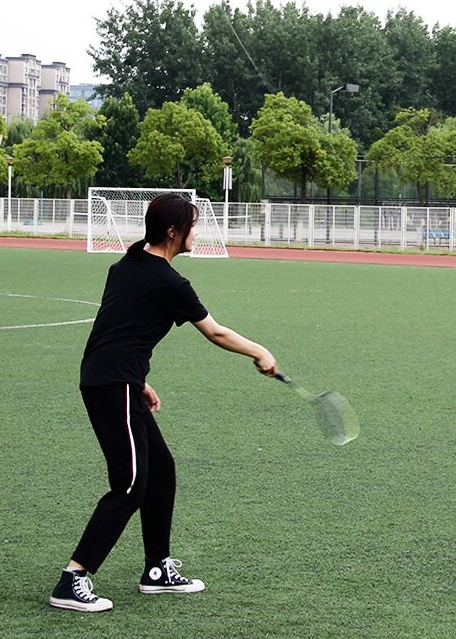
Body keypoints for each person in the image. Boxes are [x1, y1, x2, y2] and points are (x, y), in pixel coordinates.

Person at [49, 193, 278, 613]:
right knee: (131, 485)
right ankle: (73, 578)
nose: (198, 232)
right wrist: (259, 351)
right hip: (111, 383)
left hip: (113, 380)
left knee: (161, 470)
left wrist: (138, 382)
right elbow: (217, 333)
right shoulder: (171, 283)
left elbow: (118, 330)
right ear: (173, 231)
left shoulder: (126, 264)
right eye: (192, 225)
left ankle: (157, 569)